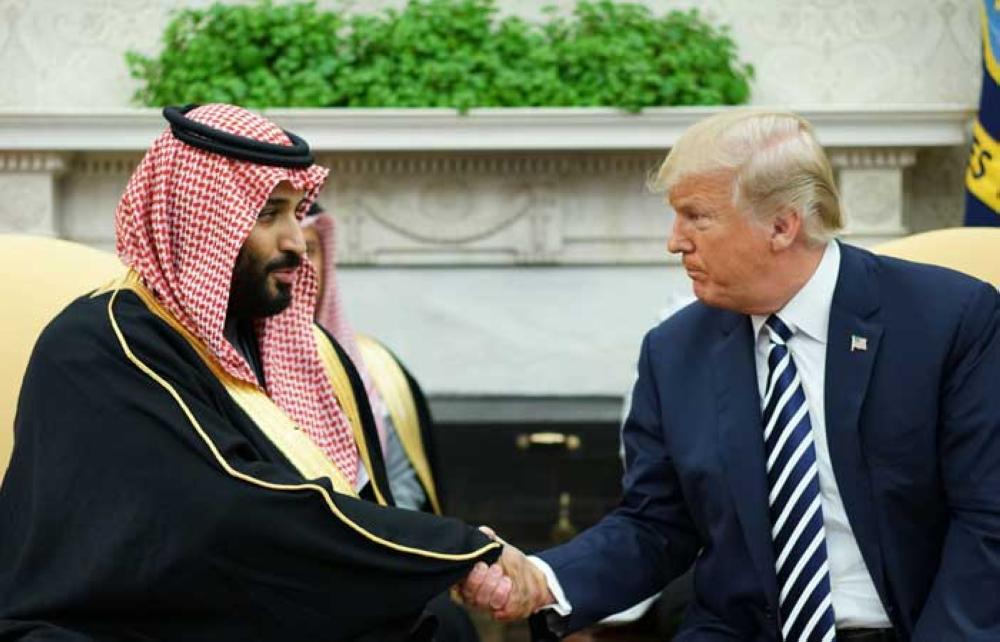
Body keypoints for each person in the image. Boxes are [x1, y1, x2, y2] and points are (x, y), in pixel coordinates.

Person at [461, 110, 1000, 641]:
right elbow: (654, 525)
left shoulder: (947, 321)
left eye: (696, 216)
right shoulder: (674, 351)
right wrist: (542, 579)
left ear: (782, 226)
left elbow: (987, 521)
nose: (675, 242)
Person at [0, 103, 502, 641]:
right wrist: (455, 548)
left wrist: (441, 562)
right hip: (111, 627)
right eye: (268, 215)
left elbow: (342, 502)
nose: (294, 243)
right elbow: (237, 509)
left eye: (295, 212)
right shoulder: (106, 345)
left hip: (222, 605)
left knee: (434, 624)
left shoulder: (272, 344)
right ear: (199, 225)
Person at [301, 203, 477, 641]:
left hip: (374, 554)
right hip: (284, 570)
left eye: (310, 249)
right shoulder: (228, 366)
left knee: (445, 623)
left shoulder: (374, 369)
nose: (299, 264)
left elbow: (402, 487)